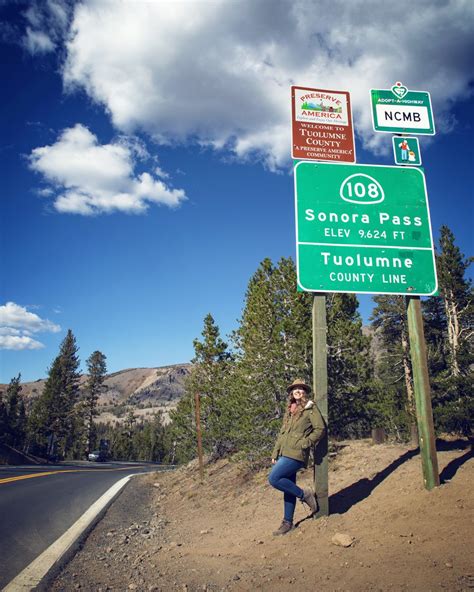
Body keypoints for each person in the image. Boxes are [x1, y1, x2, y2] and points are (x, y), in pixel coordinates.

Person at [269, 378, 325, 535]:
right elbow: (282, 433)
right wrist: (275, 452)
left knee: (274, 479)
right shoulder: (290, 410)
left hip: (297, 454)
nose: (297, 391)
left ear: (304, 391)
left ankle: (305, 494)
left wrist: (306, 443)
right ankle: (288, 523)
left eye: (300, 388)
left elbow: (320, 429)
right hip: (285, 453)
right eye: (295, 389)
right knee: (288, 488)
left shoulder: (310, 408)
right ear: (291, 393)